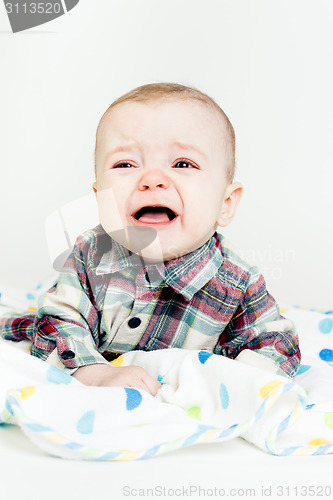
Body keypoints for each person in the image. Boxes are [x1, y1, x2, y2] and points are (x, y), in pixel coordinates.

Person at [0, 83, 300, 395]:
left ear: (225, 204)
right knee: (27, 325)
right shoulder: (91, 254)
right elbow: (59, 321)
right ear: (100, 199)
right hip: (93, 374)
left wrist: (244, 381)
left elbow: (275, 343)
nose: (152, 180)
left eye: (182, 164)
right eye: (126, 164)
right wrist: (92, 372)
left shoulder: (237, 282)